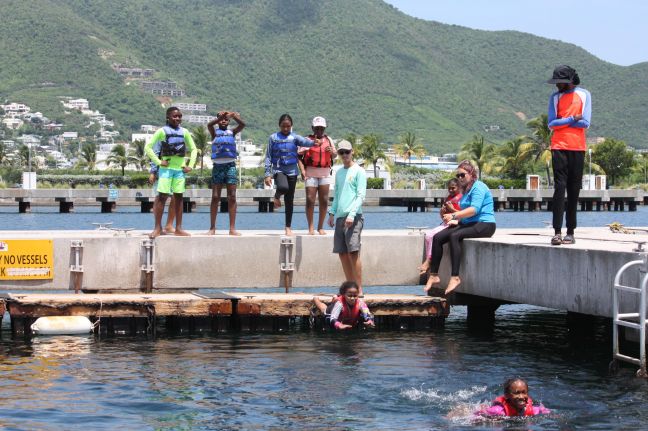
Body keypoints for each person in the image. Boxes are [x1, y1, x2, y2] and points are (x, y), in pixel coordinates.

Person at [426, 160, 496, 295]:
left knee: (454, 235)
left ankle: (455, 277)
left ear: (471, 174)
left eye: (462, 175)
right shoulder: (466, 190)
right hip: (469, 223)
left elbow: (474, 210)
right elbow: (465, 214)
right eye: (458, 176)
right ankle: (434, 275)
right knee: (438, 237)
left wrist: (454, 216)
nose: (459, 178)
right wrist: (450, 216)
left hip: (485, 224)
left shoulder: (478, 187)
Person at [547, 65, 592, 246]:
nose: (557, 86)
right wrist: (572, 119)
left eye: (561, 83)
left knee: (574, 189)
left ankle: (570, 231)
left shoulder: (584, 95)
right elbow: (551, 123)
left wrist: (563, 122)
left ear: (570, 81)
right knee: (559, 188)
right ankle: (557, 231)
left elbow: (586, 123)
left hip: (578, 147)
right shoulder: (555, 97)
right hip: (558, 146)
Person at [264, 114, 320, 236]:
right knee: (283, 187)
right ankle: (277, 196)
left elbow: (305, 142)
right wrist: (267, 174)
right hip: (279, 170)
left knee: (289, 201)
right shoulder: (273, 138)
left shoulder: (295, 137)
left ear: (291, 126)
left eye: (288, 126)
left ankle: (288, 227)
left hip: (292, 172)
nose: (285, 129)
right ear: (279, 125)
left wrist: (314, 143)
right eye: (283, 126)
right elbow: (268, 156)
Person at [145, 106, 197, 238]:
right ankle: (157, 228)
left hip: (179, 171)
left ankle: (178, 228)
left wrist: (190, 165)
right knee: (162, 197)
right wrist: (158, 162)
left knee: (179, 198)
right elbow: (148, 147)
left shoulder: (184, 132)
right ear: (168, 117)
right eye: (175, 116)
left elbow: (194, 149)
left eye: (179, 116)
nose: (177, 118)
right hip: (166, 170)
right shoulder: (162, 131)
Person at [328, 140, 367, 296]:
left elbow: (360, 196)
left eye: (347, 152)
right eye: (341, 152)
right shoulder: (339, 172)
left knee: (353, 252)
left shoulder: (359, 171)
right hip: (340, 218)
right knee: (342, 253)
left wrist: (351, 214)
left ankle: (359, 288)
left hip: (354, 217)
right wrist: (332, 212)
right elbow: (337, 195)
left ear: (352, 152)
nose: (344, 155)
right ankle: (350, 289)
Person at [206, 111, 246, 236]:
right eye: (221, 119)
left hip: (230, 165)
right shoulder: (214, 133)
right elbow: (209, 125)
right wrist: (219, 118)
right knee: (215, 197)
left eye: (225, 119)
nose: (223, 121)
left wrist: (234, 116)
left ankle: (232, 228)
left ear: (229, 122)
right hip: (218, 166)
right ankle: (212, 228)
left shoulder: (232, 133)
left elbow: (242, 125)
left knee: (232, 196)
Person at [418, 178, 462, 287]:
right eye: (449, 188)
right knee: (428, 235)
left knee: (435, 236)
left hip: (455, 223)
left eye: (453, 188)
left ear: (459, 188)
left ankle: (429, 260)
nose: (451, 190)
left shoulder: (461, 199)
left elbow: (463, 214)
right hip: (446, 223)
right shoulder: (448, 199)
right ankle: (429, 259)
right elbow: (443, 217)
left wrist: (451, 209)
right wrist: (442, 212)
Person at [298, 116, 336, 235]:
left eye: (321, 128)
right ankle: (310, 227)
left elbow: (334, 155)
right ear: (312, 128)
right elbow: (299, 156)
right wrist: (302, 171)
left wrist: (332, 152)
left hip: (324, 173)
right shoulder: (307, 140)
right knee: (310, 200)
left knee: (324, 200)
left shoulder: (328, 140)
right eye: (317, 128)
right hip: (310, 172)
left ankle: (320, 227)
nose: (319, 130)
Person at [476, 378, 550, 418]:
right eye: (516, 393)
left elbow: (547, 413)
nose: (521, 397)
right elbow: (478, 414)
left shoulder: (534, 410)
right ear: (506, 395)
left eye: (524, 392)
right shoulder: (498, 411)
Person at [148, 144, 176, 234]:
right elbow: (155, 154)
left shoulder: (180, 133)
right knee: (159, 198)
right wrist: (153, 171)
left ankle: (169, 225)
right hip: (161, 171)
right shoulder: (161, 135)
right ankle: (158, 226)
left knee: (175, 196)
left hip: (175, 170)